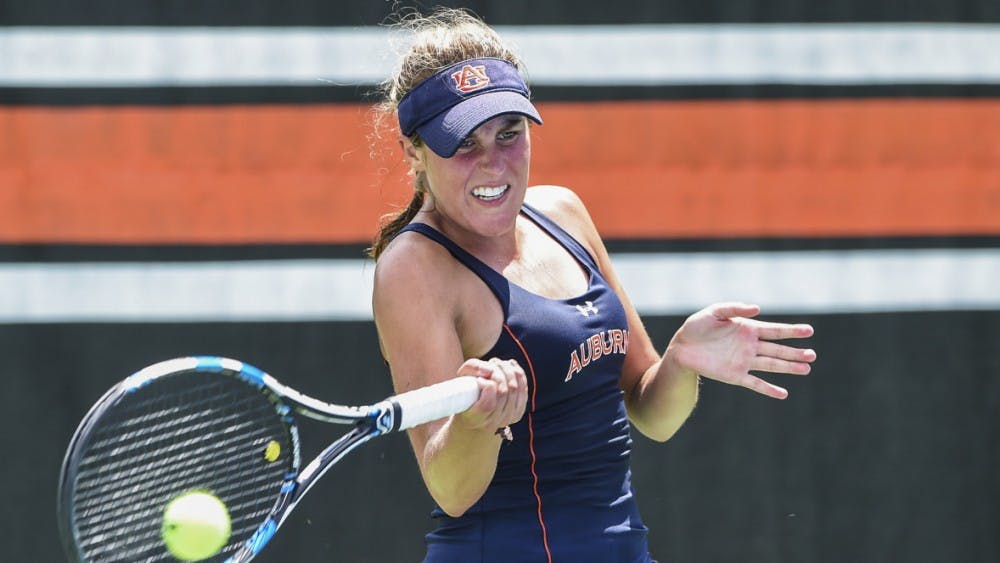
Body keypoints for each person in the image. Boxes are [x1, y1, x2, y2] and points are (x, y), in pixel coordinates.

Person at [368, 8, 816, 563]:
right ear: (413, 151)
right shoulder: (413, 269)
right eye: (463, 144)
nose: (492, 164)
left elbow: (652, 412)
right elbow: (451, 490)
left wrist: (679, 364)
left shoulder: (564, 211)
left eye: (509, 134)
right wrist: (478, 422)